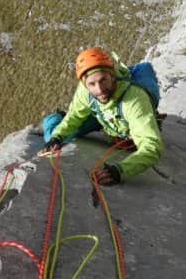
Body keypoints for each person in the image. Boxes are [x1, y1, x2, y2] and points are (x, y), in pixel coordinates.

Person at [42, 47, 164, 186]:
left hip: (120, 116)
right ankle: (59, 119)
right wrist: (57, 137)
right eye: (92, 84)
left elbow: (152, 147)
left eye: (103, 80)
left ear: (112, 76)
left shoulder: (133, 100)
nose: (99, 89)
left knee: (137, 141)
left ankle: (149, 118)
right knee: (51, 130)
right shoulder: (85, 92)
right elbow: (74, 116)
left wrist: (119, 171)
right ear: (84, 84)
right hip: (101, 115)